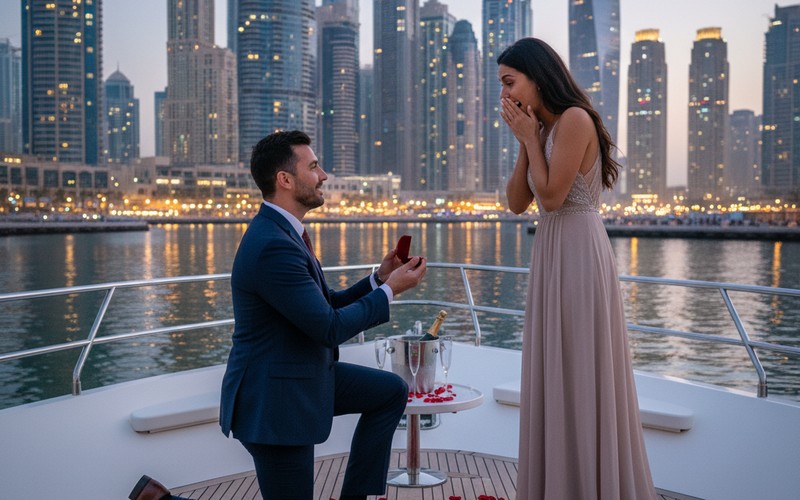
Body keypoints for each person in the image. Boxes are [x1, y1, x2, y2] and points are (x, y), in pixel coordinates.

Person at [219, 130, 426, 500]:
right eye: (314, 166)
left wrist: (376, 279)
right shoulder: (273, 246)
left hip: (301, 375)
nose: (324, 175)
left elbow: (324, 304)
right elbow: (328, 328)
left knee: (390, 391)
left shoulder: (284, 233)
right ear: (285, 180)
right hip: (274, 401)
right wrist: (390, 290)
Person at [498, 38, 657, 499]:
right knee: (555, 366)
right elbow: (515, 203)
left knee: (582, 365)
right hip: (551, 251)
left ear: (537, 77)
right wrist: (528, 141)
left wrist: (531, 138)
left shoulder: (574, 120)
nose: (505, 95)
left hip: (578, 252)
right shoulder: (544, 129)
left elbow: (551, 198)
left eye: (510, 83)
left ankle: (594, 484)